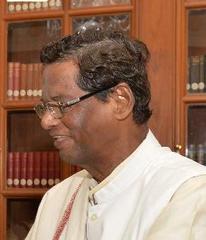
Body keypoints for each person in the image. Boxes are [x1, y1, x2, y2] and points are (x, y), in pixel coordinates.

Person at [26, 27, 206, 240]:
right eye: (45, 107)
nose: (46, 121)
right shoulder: (58, 198)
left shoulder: (189, 194)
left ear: (120, 101)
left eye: (61, 105)